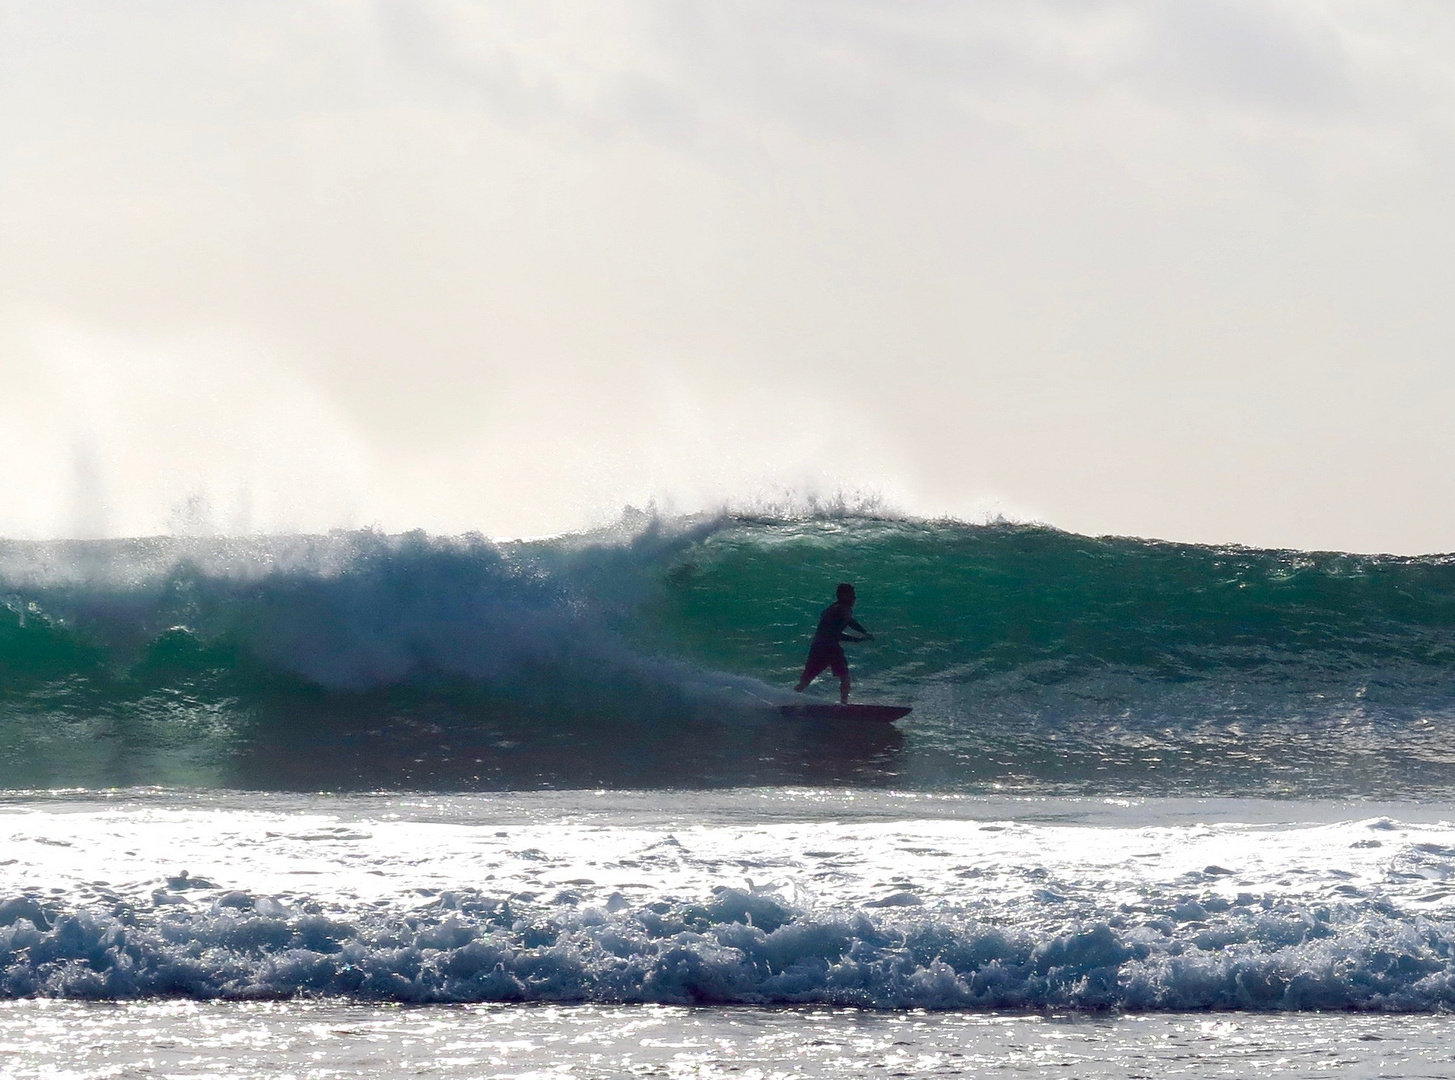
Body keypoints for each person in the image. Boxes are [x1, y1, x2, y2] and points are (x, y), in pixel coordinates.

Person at [794, 582, 873, 704]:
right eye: (852, 595)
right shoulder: (842, 609)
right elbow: (835, 634)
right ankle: (844, 705)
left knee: (805, 681)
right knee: (845, 678)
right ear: (844, 595)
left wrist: (863, 631)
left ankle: (787, 700)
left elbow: (850, 622)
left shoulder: (833, 608)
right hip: (829, 648)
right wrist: (858, 639)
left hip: (817, 647)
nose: (854, 598)